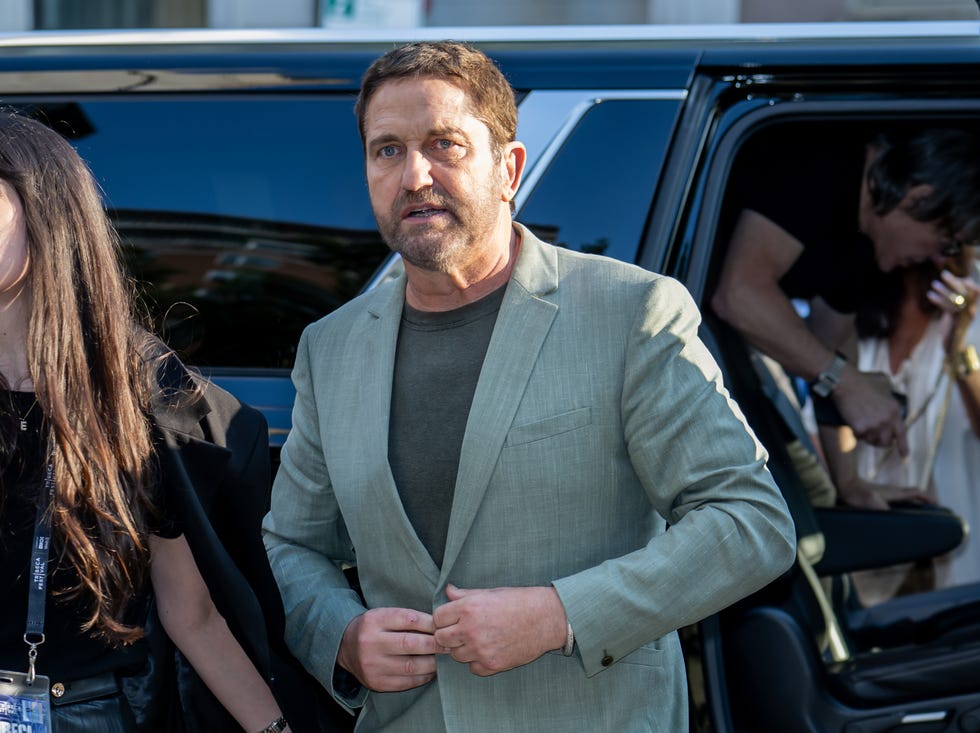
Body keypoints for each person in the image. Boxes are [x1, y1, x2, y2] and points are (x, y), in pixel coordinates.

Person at [262, 40, 796, 732]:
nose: (414, 175)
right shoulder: (329, 347)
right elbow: (290, 545)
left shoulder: (630, 312)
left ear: (508, 168)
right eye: (387, 150)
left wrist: (560, 614)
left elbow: (750, 520)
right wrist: (340, 633)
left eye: (444, 144)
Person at [0, 111, 295, 732]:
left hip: (87, 712)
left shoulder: (136, 389)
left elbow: (192, 613)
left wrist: (274, 729)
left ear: (47, 214)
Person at [711, 125, 980, 459]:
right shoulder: (820, 165)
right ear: (918, 198)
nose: (940, 259)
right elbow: (738, 294)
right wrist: (847, 383)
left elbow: (828, 345)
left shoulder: (864, 244)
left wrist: (848, 481)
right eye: (948, 242)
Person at [821, 252, 980, 603]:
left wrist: (959, 348)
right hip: (868, 537)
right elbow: (819, 425)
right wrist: (849, 488)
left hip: (951, 542)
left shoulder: (969, 315)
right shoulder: (851, 319)